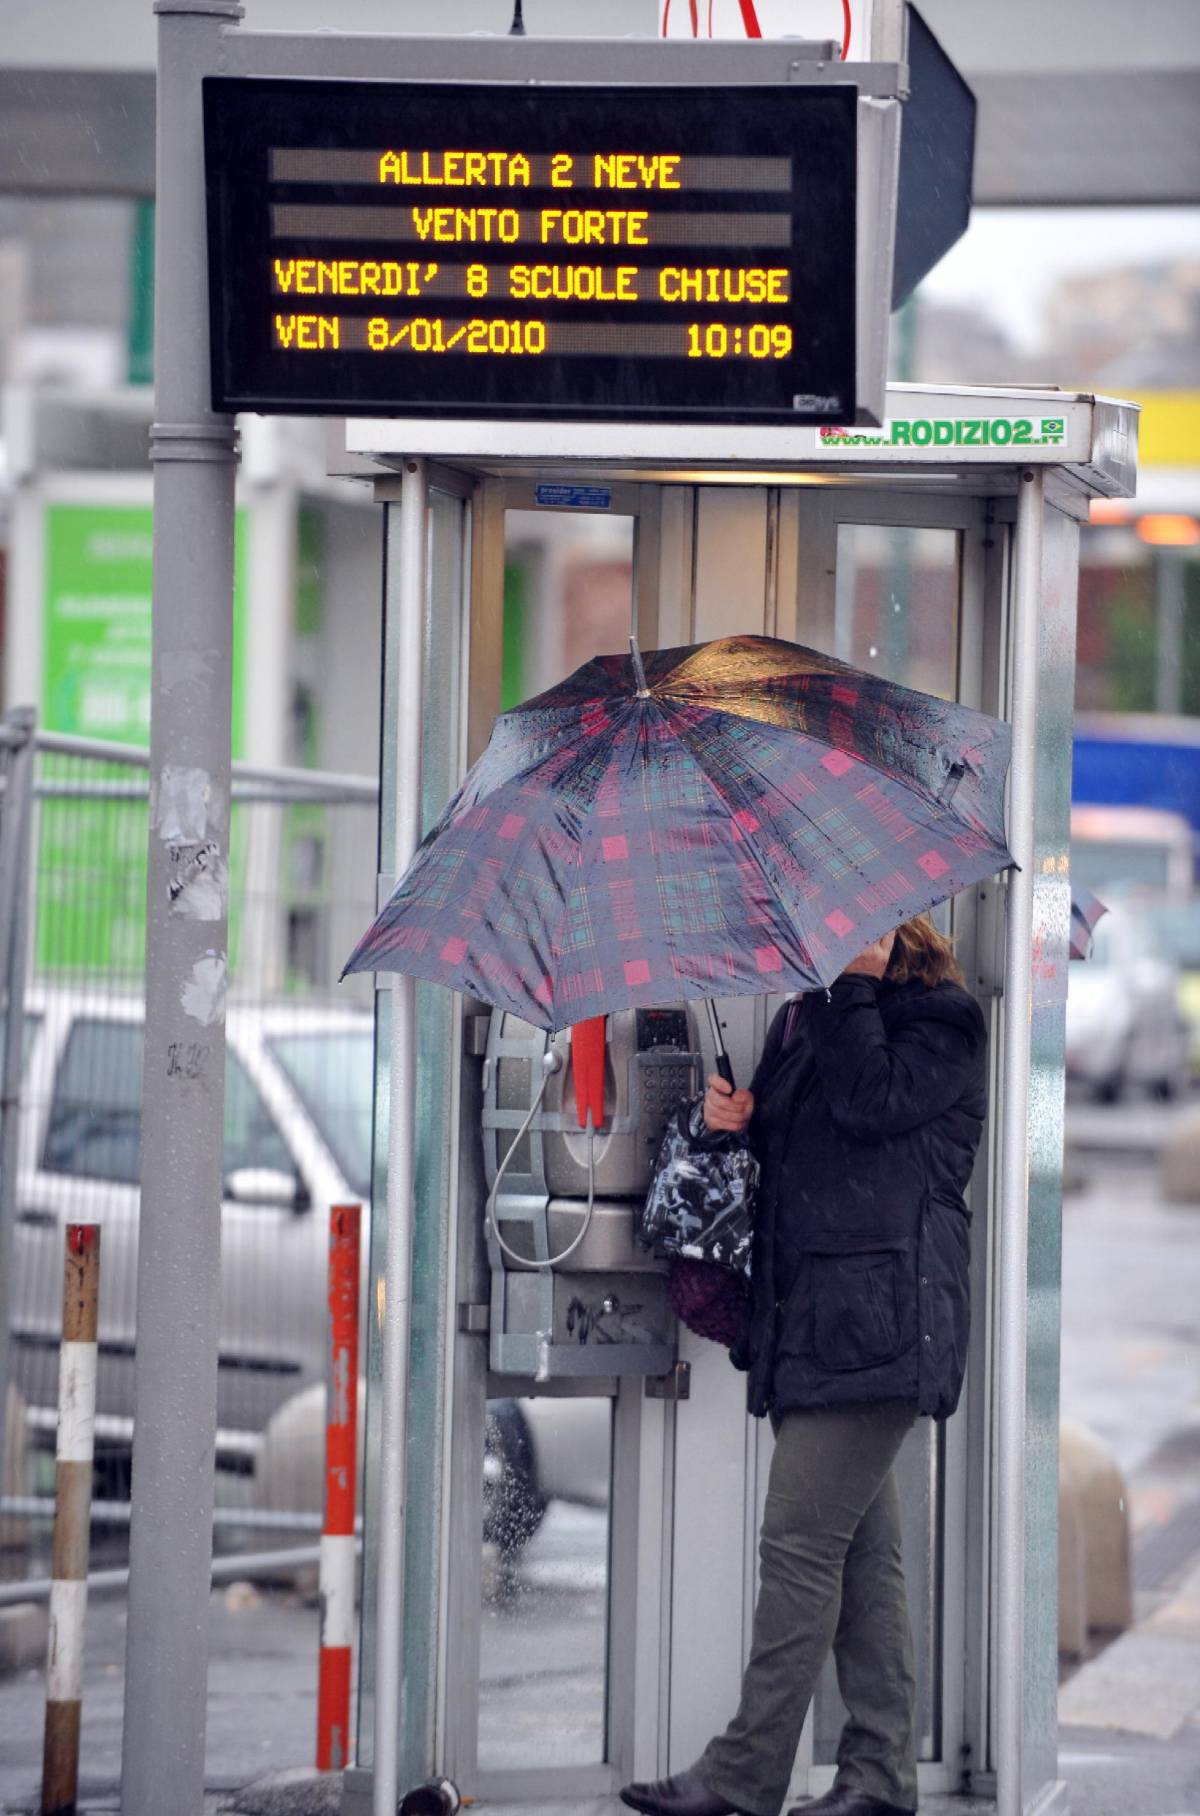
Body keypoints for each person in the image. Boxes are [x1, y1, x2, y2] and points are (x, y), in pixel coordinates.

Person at [621, 913, 988, 1816]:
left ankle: (744, 1778)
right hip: (816, 1329)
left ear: (894, 930)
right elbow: (803, 1168)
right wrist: (734, 1125)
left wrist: (850, 983)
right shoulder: (808, 1017)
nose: (822, 946)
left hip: (882, 1330)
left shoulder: (939, 1019)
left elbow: (870, 1101)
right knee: (866, 1567)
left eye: (845, 931)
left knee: (795, 1550)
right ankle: (879, 1779)